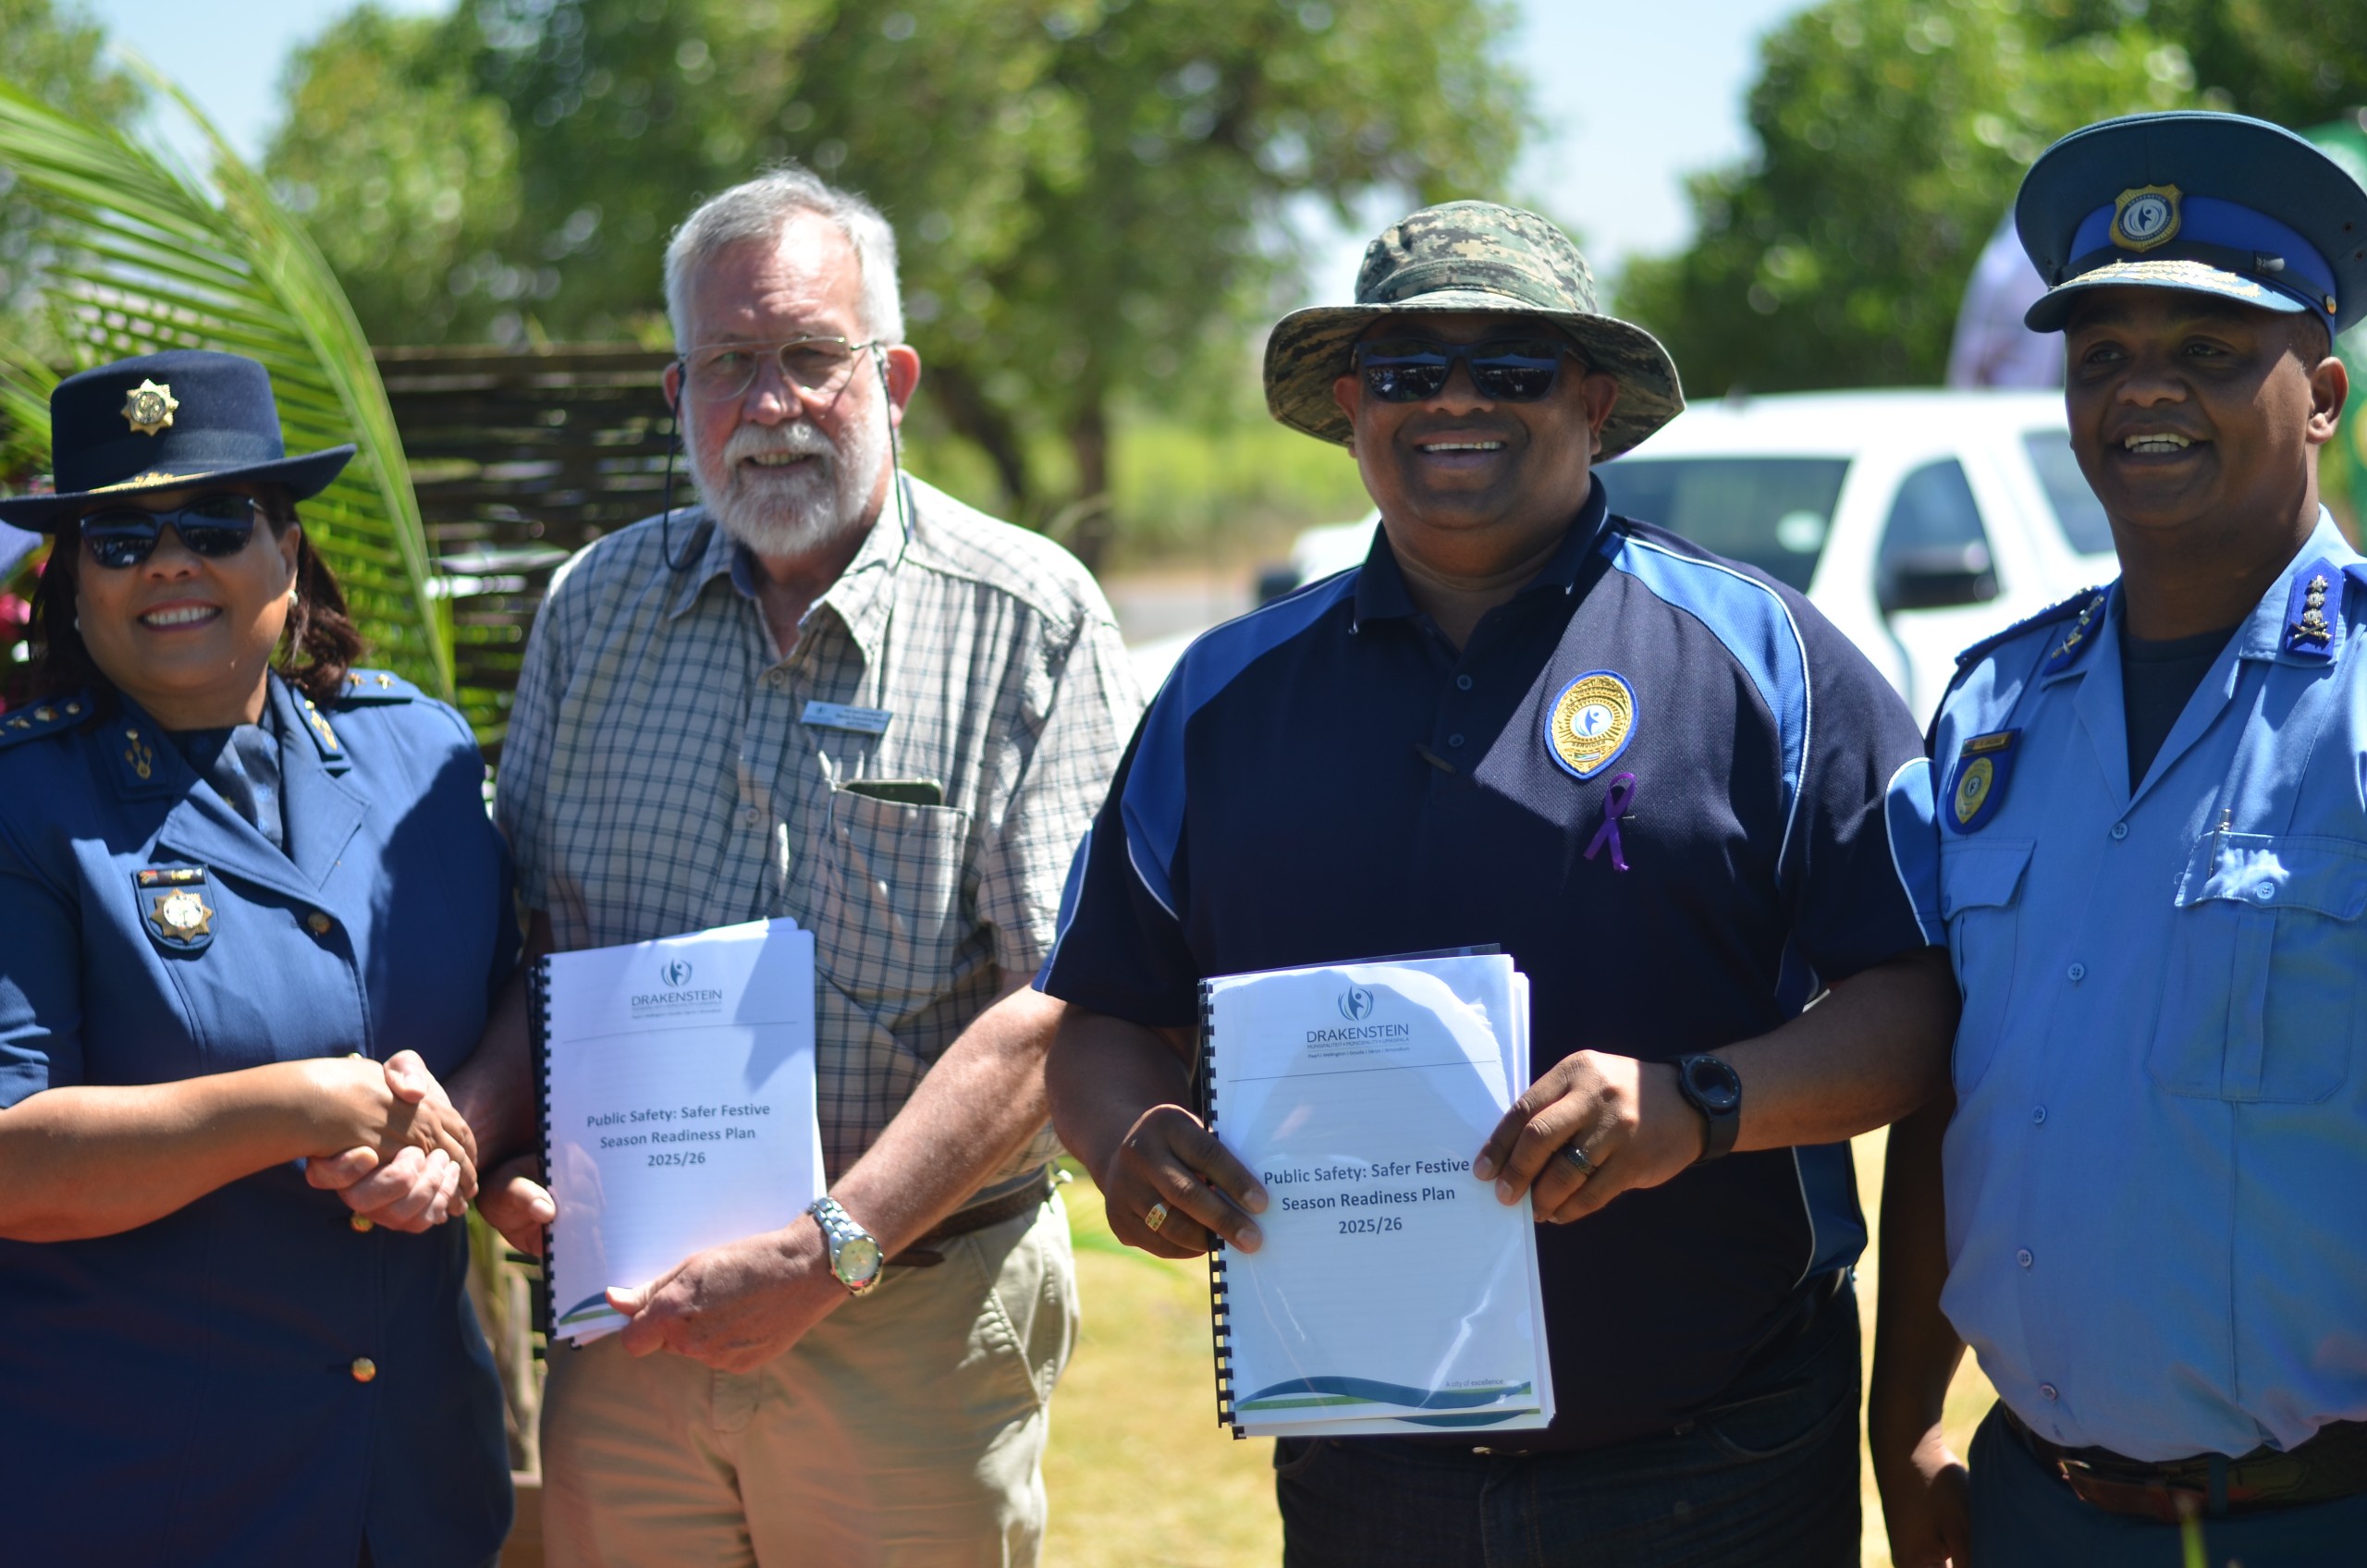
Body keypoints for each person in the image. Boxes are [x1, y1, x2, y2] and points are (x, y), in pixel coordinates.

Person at [1037, 200, 1960, 1567]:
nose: (1454, 402)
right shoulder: (1221, 702)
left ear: (1594, 401)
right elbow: (1107, 1012)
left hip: (1719, 1464)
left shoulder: (1762, 655)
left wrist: (1700, 1104)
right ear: (1351, 406)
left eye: (1512, 369)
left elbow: (1921, 1000)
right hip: (1366, 1479)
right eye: (1408, 373)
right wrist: (1128, 1140)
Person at [451, 165, 1142, 1565]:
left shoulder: (1028, 618)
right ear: (677, 394)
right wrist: (504, 1150)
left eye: (811, 357)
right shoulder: (595, 614)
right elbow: (538, 953)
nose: (770, 407)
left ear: (891, 374)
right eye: (730, 366)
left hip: (912, 1322)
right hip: (632, 1328)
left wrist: (830, 1248)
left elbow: (1059, 1002)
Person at [1870, 110, 2367, 1568]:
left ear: (2323, 393)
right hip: (2039, 1509)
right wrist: (1905, 1423)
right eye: (2105, 358)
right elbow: (1937, 1101)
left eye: (2210, 353)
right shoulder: (1994, 713)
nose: (2145, 393)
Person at [0, 349, 517, 1565]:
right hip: (140, 1499)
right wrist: (293, 1107)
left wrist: (468, 1140)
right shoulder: (22, 805)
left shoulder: (419, 757)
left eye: (213, 523)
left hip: (414, 1488)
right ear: (74, 583)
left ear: (286, 551)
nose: (170, 561)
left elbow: (516, 1004)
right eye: (119, 539)